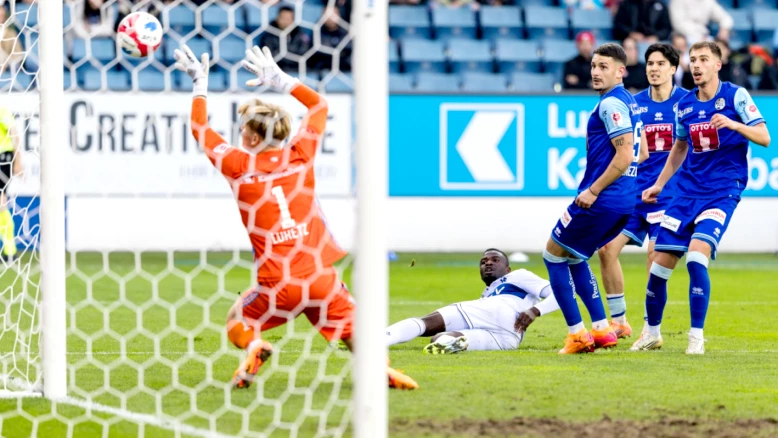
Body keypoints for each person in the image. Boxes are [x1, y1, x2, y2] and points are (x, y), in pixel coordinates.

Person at [173, 44, 418, 389]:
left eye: (243, 128)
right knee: (352, 328)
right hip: (320, 275)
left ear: (254, 137)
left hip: (278, 282)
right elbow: (319, 105)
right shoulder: (301, 155)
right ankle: (379, 369)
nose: (239, 132)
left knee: (235, 320)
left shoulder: (238, 166)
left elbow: (200, 128)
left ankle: (255, 346)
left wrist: (199, 85)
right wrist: (280, 80)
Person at [633, 41, 770, 354]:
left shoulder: (736, 96)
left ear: (717, 64)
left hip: (722, 191)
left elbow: (764, 137)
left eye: (703, 59)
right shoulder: (685, 105)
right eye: (692, 60)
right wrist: (659, 183)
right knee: (658, 267)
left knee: (696, 257)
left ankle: (696, 337)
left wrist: (734, 123)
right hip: (685, 193)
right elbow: (679, 149)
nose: (696, 65)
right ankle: (651, 334)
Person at [543, 43, 642, 354]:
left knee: (553, 254)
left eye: (604, 67)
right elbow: (642, 150)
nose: (596, 72)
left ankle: (577, 334)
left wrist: (594, 189)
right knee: (574, 256)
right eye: (594, 66)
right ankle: (601, 330)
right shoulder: (630, 102)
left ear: (620, 71)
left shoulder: (611, 104)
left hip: (603, 198)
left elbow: (626, 154)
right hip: (624, 199)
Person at [598, 43, 687, 338]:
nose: (653, 68)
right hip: (635, 195)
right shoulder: (633, 105)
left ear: (673, 69)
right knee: (606, 250)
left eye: (661, 63)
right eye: (650, 63)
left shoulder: (687, 103)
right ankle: (620, 322)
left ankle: (651, 327)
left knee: (654, 256)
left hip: (669, 195)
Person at [386, 249, 560, 353]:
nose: (488, 263)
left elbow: (561, 293)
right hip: (509, 339)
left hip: (498, 311)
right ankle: (452, 344)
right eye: (483, 262)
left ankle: (380, 339)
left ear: (508, 269)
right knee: (439, 339)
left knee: (427, 323)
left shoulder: (517, 276)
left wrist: (535, 310)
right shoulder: (487, 294)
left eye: (495, 260)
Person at [258, 6, 312, 72]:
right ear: (277, 18)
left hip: (296, 71)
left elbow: (305, 54)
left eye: (288, 19)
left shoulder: (301, 36)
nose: (285, 22)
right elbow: (268, 56)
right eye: (283, 18)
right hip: (276, 71)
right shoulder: (268, 36)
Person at [0, 105, 21, 263]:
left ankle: (10, 250)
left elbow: (15, 135)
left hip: (3, 158)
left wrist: (17, 161)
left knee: (1, 203)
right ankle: (8, 250)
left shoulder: (2, 111)